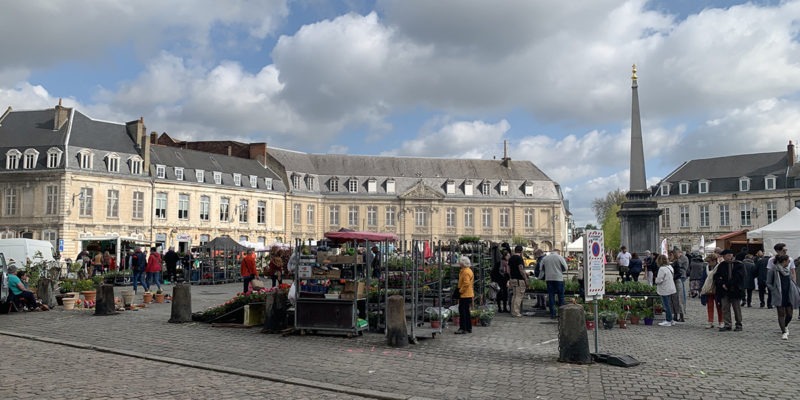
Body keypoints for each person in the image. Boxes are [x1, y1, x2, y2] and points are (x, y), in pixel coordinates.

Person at [766, 254, 799, 340]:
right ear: (784, 261)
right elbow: (768, 282)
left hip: (788, 294)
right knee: (781, 314)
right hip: (779, 294)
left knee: (790, 314)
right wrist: (774, 290)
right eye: (788, 261)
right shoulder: (773, 270)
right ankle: (784, 331)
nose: (789, 262)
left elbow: (791, 280)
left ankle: (785, 325)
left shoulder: (786, 270)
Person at [715, 249, 746, 332]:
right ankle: (727, 324)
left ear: (730, 255)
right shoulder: (722, 265)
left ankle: (739, 324)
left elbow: (738, 277)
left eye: (725, 256)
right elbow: (717, 276)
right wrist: (722, 284)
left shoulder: (738, 265)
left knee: (736, 308)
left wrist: (728, 284)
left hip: (735, 290)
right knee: (725, 308)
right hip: (724, 291)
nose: (725, 258)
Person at [539, 249, 567, 319]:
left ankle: (553, 314)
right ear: (558, 252)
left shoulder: (545, 258)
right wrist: (560, 270)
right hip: (558, 278)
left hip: (549, 279)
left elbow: (541, 268)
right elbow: (566, 268)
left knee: (551, 296)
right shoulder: (559, 257)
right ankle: (561, 314)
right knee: (561, 296)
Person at [700, 255, 724, 329]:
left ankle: (721, 321)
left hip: (717, 289)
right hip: (708, 289)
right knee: (709, 306)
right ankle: (710, 321)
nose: (708, 263)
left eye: (709, 262)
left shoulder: (719, 267)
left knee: (719, 306)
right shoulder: (706, 268)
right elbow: (703, 278)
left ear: (714, 261)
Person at [454, 256, 474, 334]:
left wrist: (460, 291)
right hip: (468, 293)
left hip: (465, 294)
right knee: (466, 311)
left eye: (460, 262)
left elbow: (466, 283)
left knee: (463, 311)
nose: (459, 264)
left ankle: (463, 328)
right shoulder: (468, 270)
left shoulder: (465, 272)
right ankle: (468, 327)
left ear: (463, 263)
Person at [655, 254, 676, 326]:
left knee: (666, 305)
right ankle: (671, 319)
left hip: (664, 289)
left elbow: (659, 280)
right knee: (669, 304)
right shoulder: (670, 267)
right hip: (670, 287)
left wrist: (656, 280)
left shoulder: (662, 269)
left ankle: (668, 320)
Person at [507, 245, 527, 318]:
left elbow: (508, 270)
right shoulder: (519, 258)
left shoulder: (511, 258)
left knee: (514, 296)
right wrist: (525, 279)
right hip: (519, 279)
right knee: (519, 296)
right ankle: (516, 312)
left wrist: (511, 277)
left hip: (513, 279)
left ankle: (513, 311)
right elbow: (521, 269)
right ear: (521, 251)